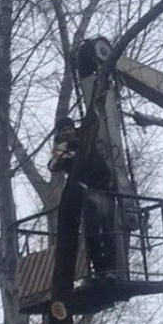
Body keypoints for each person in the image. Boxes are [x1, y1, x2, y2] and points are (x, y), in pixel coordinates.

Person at [49, 116, 120, 276]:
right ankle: (100, 270)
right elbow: (54, 166)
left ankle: (111, 269)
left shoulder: (84, 140)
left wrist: (67, 147)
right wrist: (60, 155)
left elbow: (83, 144)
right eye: (64, 130)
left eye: (70, 129)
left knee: (108, 232)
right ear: (60, 134)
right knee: (92, 234)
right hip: (89, 193)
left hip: (104, 188)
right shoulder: (63, 150)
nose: (68, 132)